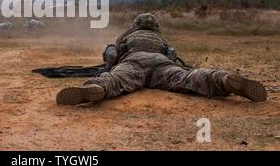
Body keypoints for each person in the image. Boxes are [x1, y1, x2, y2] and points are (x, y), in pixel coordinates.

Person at [56, 13, 268, 105]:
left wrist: (110, 68)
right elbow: (172, 57)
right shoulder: (161, 39)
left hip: (133, 62)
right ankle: (221, 79)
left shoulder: (128, 36)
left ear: (137, 24)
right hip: (161, 64)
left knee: (116, 81)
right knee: (189, 78)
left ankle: (97, 89)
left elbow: (111, 54)